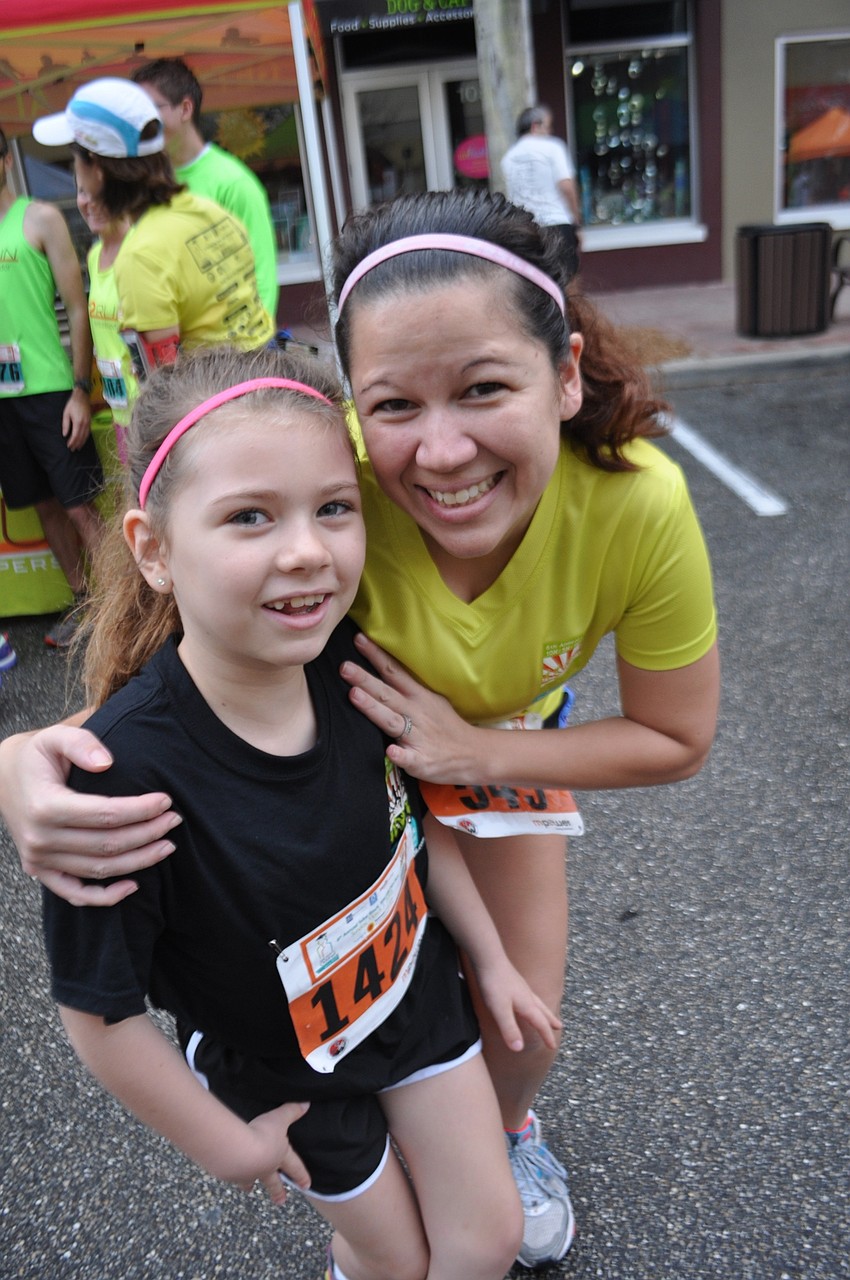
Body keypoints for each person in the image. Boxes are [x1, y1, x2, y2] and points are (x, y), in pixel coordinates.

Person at [0, 189, 719, 1269]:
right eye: (393, 407)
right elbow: (193, 617)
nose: (439, 452)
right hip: (358, 748)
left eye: (484, 388)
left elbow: (674, 734)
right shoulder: (325, 476)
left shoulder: (632, 502)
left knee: (521, 1021)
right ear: (355, 411)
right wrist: (22, 758)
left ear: (564, 373)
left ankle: (503, 1135)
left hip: (499, 743)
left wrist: (477, 754)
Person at [41, 342, 559, 1280]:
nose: (307, 550)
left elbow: (416, 829)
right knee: (392, 1261)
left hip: (415, 1004)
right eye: (249, 517)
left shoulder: (356, 659)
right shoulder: (119, 781)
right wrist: (224, 1145)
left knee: (486, 1240)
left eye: (333, 508)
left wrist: (490, 962)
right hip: (280, 1075)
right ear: (152, 550)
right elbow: (99, 1010)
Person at [32, 78, 274, 379]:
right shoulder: (209, 211)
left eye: (75, 161)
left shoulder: (141, 255)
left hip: (216, 411)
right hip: (261, 386)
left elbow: (164, 388)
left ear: (95, 167)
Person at [0, 127, 104, 649]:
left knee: (81, 504)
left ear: (3, 161)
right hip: (3, 402)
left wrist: (80, 390)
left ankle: (124, 608)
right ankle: (83, 603)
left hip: (51, 390)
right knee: (43, 505)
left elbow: (79, 306)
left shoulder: (38, 218)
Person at [131, 58, 279, 320]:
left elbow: (263, 279)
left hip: (227, 355)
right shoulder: (143, 184)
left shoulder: (233, 182)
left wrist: (248, 355)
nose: (141, 122)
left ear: (185, 109)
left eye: (150, 110)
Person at [76, 170, 136, 464]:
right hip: (119, 409)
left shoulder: (141, 250)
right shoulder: (94, 253)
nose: (90, 202)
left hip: (151, 411)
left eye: (101, 192)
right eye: (83, 191)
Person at [501, 105, 582, 278]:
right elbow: (566, 185)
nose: (550, 131)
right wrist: (576, 219)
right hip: (557, 223)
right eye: (548, 126)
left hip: (526, 228)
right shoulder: (552, 147)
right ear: (535, 126)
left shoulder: (509, 157)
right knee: (568, 282)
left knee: (538, 284)